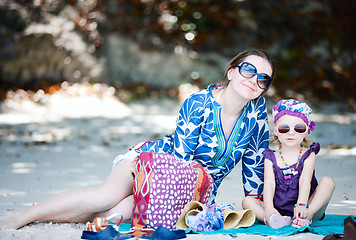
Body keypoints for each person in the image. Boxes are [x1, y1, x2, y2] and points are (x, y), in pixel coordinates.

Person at [0, 49, 275, 230]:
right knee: (104, 197)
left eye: (263, 79)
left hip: (195, 192)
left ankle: (75, 219)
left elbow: (253, 174)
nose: (254, 80)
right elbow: (177, 162)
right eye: (248, 70)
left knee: (117, 213)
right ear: (232, 72)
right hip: (155, 164)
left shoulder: (257, 117)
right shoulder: (200, 102)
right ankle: (22, 217)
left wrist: (267, 210)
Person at [242, 99, 335, 229]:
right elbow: (269, 184)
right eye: (284, 128)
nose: (291, 132)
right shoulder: (270, 157)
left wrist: (302, 205)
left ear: (307, 130)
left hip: (307, 205)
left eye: (299, 128)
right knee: (247, 201)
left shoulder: (308, 154)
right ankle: (271, 218)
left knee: (328, 182)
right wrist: (268, 208)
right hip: (278, 209)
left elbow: (304, 180)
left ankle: (305, 217)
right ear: (275, 130)